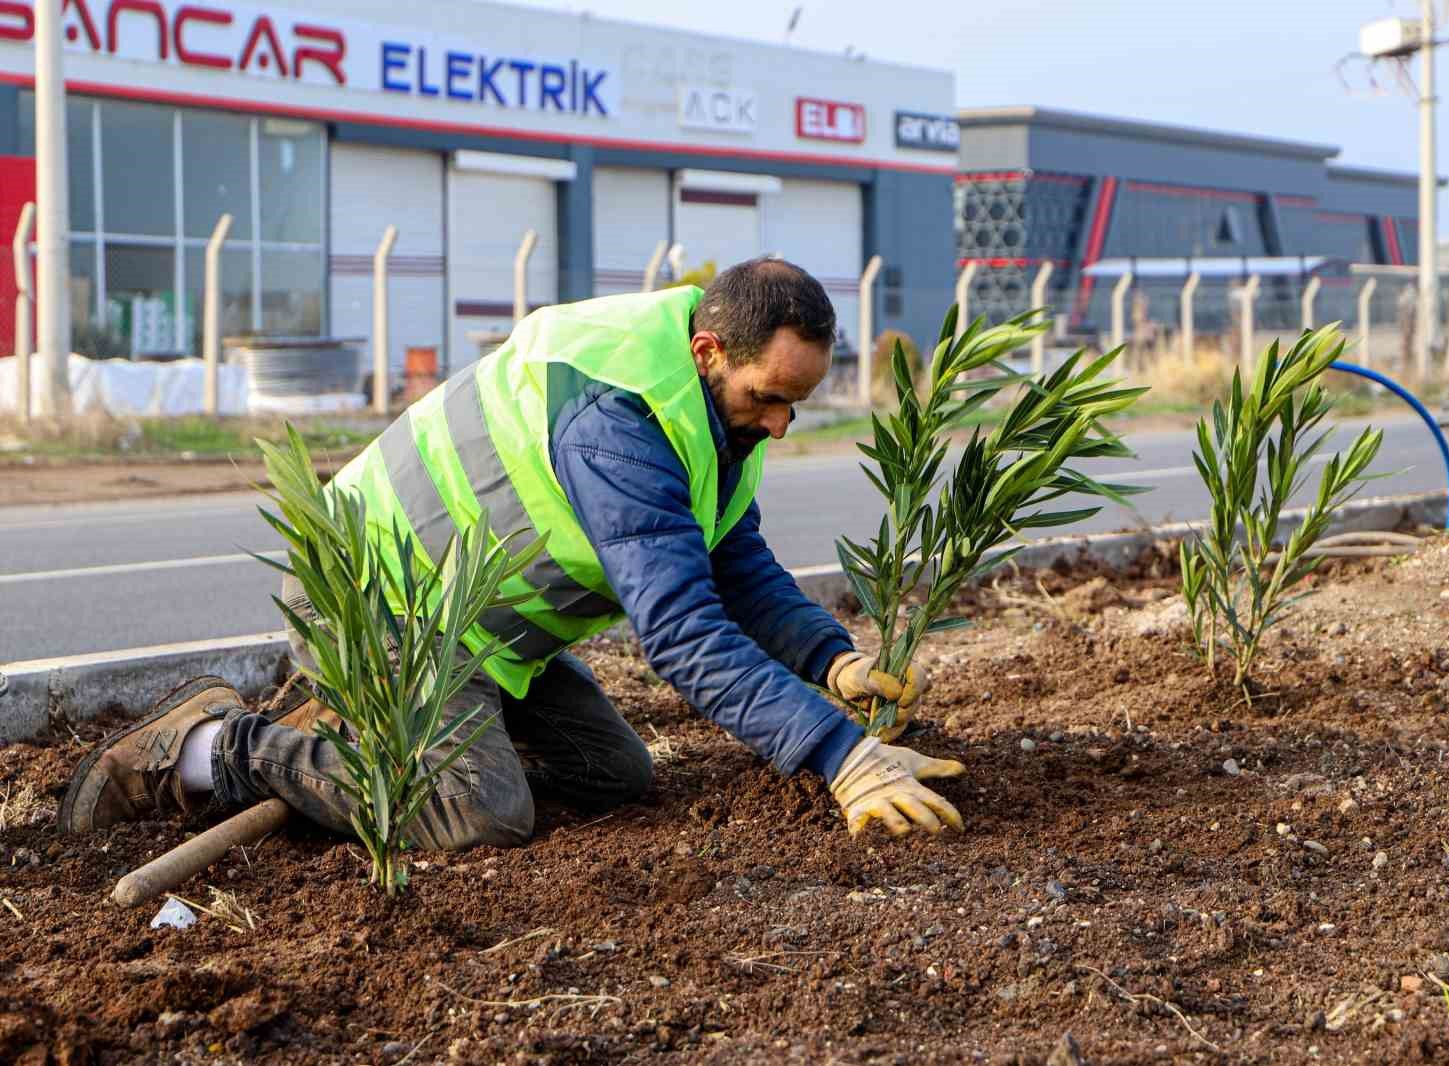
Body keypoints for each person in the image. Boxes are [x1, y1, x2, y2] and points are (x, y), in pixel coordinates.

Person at [59, 259, 966, 848]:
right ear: (706, 349)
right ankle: (205, 748)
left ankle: (396, 749)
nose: (780, 425)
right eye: (770, 398)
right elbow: (683, 631)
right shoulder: (620, 420)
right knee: (483, 813)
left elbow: (737, 561)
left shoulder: (705, 412)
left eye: (794, 407)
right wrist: (841, 759)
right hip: (376, 604)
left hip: (477, 635)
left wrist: (830, 661)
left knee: (616, 777)